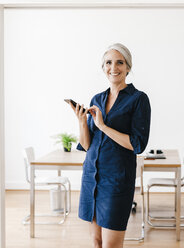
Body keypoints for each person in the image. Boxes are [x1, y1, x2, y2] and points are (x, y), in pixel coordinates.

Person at [69, 43, 151, 248]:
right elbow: (87, 145)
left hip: (116, 181)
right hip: (92, 178)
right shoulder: (97, 98)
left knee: (111, 245)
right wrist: (81, 122)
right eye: (108, 62)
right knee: (96, 242)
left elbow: (137, 144)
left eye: (119, 62)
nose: (113, 67)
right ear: (103, 67)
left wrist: (103, 126)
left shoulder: (138, 99)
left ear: (128, 67)